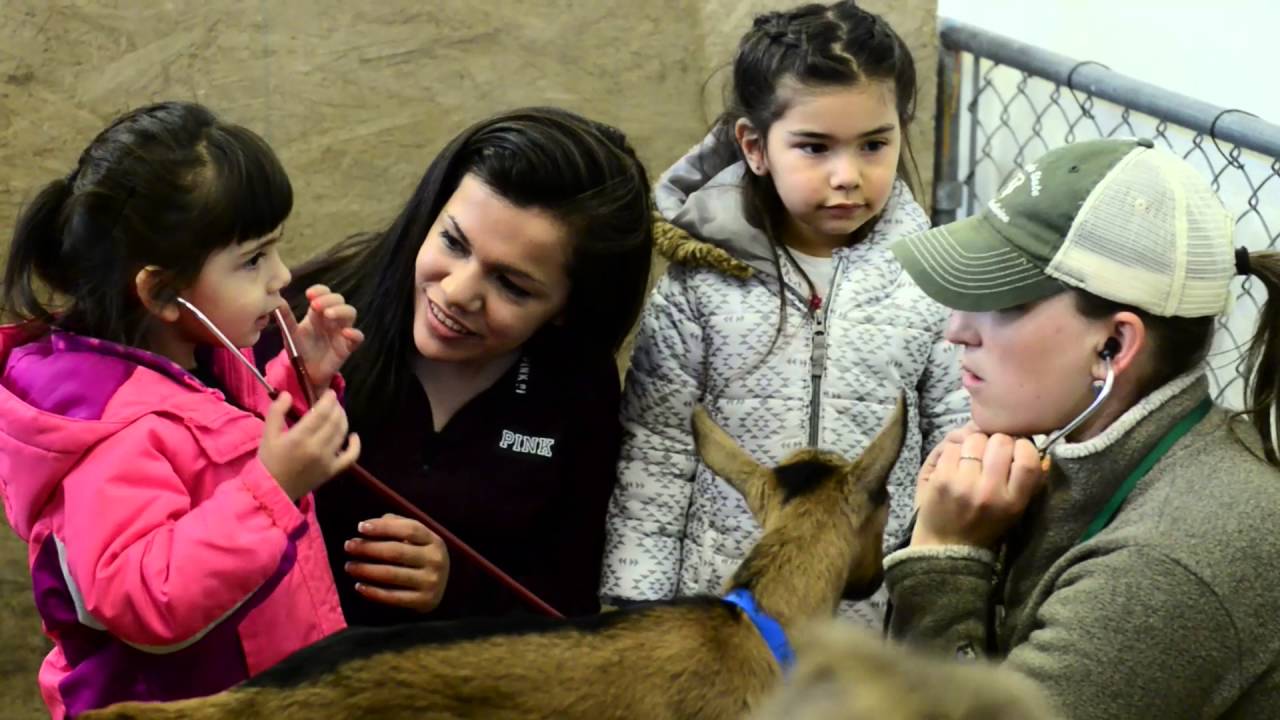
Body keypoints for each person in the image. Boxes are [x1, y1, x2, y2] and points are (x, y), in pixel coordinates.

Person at [599, 0, 968, 626]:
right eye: (815, 147)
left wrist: (943, 601)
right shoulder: (701, 285)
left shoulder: (930, 279)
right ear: (755, 146)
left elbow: (955, 436)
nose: (847, 176)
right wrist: (637, 608)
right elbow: (656, 451)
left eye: (874, 144)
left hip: (868, 622)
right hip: (723, 621)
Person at [886, 137, 1280, 717]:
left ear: (1114, 345)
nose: (957, 330)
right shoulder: (1074, 448)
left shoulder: (1168, 564)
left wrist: (945, 559)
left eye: (1002, 300)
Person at [0, 101, 362, 718]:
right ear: (162, 292)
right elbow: (144, 595)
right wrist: (273, 487)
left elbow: (227, 458)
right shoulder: (111, 433)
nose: (281, 277)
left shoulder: (200, 365)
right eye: (252, 259)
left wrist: (302, 383)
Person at [270, 107, 654, 624]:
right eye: (453, 242)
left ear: (569, 307)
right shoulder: (303, 317)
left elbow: (571, 604)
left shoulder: (579, 390)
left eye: (512, 285)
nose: (455, 292)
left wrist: (460, 587)